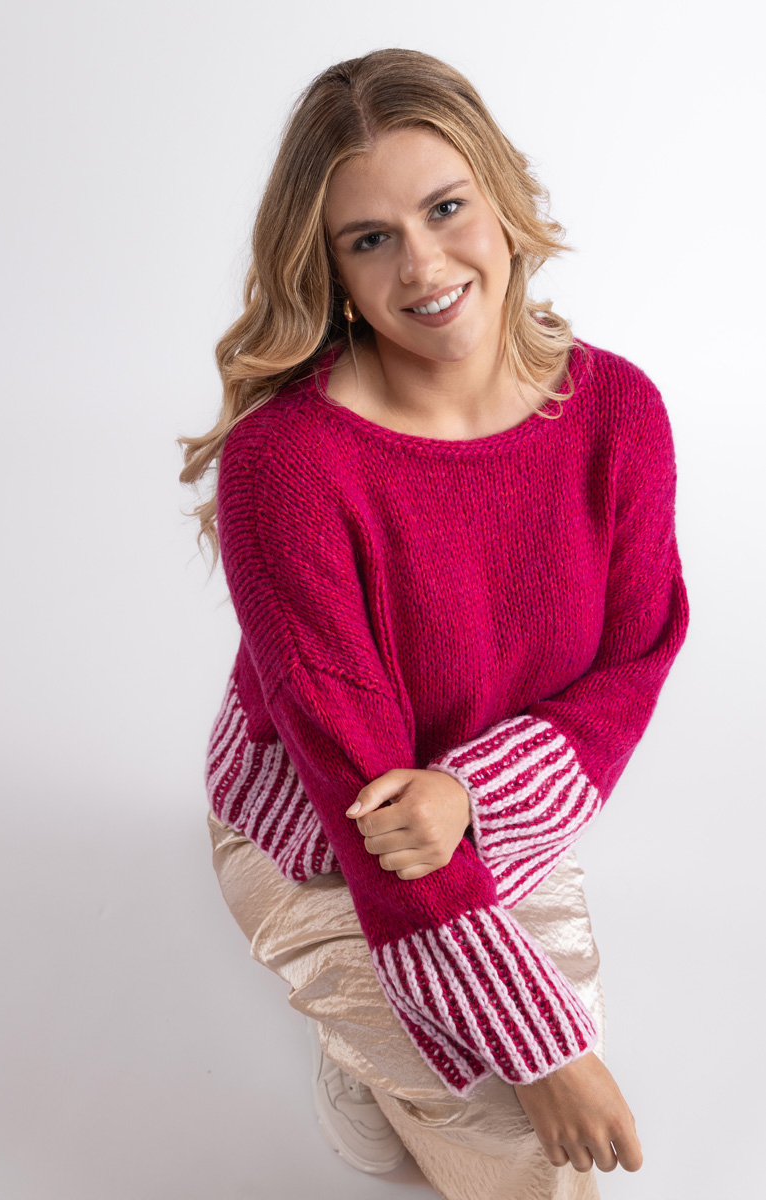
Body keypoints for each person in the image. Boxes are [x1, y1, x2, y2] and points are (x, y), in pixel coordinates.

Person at [179, 47, 689, 1199]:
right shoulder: (286, 464)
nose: (420, 265)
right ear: (331, 272)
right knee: (526, 1133)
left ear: (500, 201)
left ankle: (393, 1082)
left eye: (444, 208)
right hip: (324, 837)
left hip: (483, 815)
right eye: (370, 239)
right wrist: (541, 1053)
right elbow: (355, 780)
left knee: (525, 1090)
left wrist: (467, 795)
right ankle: (373, 1071)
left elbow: (634, 656)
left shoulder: (615, 411)